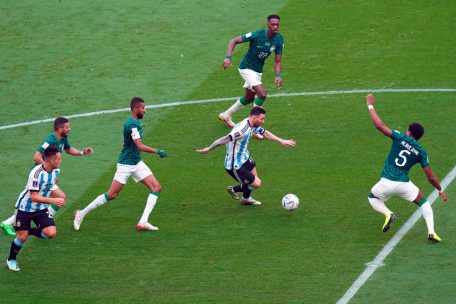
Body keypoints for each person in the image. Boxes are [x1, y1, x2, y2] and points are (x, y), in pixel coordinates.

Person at [74, 97, 167, 231]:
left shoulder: (135, 122)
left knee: (156, 187)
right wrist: (157, 151)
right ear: (135, 109)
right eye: (142, 108)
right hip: (126, 164)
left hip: (137, 162)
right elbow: (139, 145)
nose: (145, 110)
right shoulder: (132, 125)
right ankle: (80, 214)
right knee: (112, 194)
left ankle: (143, 221)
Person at [366, 93, 448, 242]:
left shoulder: (400, 137)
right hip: (404, 184)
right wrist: (440, 190)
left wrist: (370, 105)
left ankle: (388, 214)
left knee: (372, 198)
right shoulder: (422, 153)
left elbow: (379, 126)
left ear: (409, 132)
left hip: (386, 182)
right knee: (424, 203)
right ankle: (431, 232)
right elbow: (430, 177)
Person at [0, 117, 94, 237]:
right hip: (39, 178)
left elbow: (68, 149)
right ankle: (11, 224)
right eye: (67, 127)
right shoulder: (50, 140)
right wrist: (48, 171)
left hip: (49, 177)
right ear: (60, 129)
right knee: (31, 202)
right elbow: (37, 156)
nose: (69, 129)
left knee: (61, 198)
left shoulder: (63, 138)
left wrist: (82, 152)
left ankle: (39, 223)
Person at [198, 107, 295, 205]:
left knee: (255, 179)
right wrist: (209, 148)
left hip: (244, 158)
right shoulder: (242, 130)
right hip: (235, 165)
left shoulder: (251, 124)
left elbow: (264, 133)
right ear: (254, 118)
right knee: (256, 184)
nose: (263, 121)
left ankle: (245, 199)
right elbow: (225, 139)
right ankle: (234, 189)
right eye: (262, 119)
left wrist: (281, 141)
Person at [218, 14, 284, 129]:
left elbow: (277, 61)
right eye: (272, 24)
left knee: (248, 98)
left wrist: (278, 75)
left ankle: (225, 115)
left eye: (277, 24)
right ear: (268, 24)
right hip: (246, 68)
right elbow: (234, 41)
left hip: (257, 71)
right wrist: (228, 57)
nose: (275, 27)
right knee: (262, 94)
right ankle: (254, 126)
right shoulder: (257, 35)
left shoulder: (279, 39)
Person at [6, 146, 66, 271]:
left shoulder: (56, 170)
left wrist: (58, 194)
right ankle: (11, 259)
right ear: (51, 161)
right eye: (59, 159)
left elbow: (52, 183)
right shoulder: (36, 174)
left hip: (41, 208)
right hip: (25, 208)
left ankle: (29, 231)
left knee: (51, 233)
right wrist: (53, 200)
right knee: (22, 238)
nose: (61, 161)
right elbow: (33, 197)